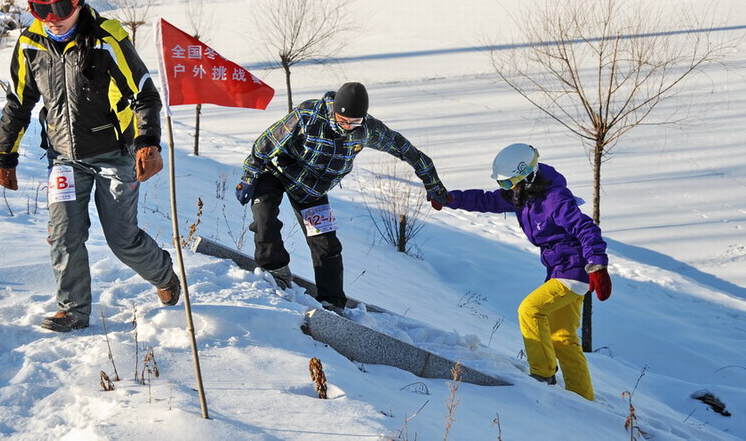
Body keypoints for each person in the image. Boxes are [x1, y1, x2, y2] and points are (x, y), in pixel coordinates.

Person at [0, 0, 180, 333]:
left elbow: (144, 94)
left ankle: (164, 274)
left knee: (122, 240)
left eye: (59, 6)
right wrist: (3, 154)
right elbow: (19, 102)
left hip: (115, 155)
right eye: (39, 8)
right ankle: (73, 310)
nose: (51, 17)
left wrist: (148, 143)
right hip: (63, 157)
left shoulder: (107, 38)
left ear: (76, 0)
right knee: (63, 234)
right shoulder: (31, 43)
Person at [235, 82, 449, 311]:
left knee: (326, 245)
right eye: (342, 120)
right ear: (334, 111)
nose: (348, 126)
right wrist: (248, 177)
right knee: (264, 215)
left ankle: (333, 301)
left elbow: (408, 151)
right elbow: (265, 144)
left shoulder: (368, 130)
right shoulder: (308, 114)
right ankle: (276, 270)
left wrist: (433, 184)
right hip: (278, 171)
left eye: (354, 122)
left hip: (312, 188)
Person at [438, 143, 612, 400]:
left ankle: (543, 374)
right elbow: (486, 200)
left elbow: (586, 228)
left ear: (527, 177)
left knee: (530, 310)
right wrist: (452, 199)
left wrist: (597, 265)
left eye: (509, 184)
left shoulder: (555, 201)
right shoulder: (524, 197)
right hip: (560, 269)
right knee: (562, 337)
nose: (505, 189)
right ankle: (583, 398)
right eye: (503, 184)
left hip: (574, 270)